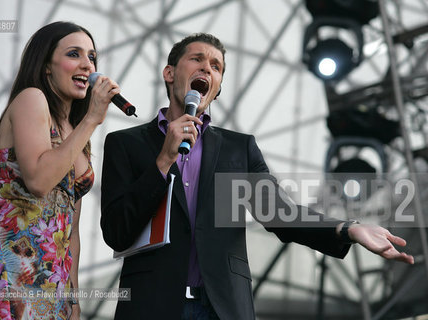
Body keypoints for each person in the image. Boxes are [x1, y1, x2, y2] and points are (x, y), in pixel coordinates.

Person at [100, 33, 414, 320]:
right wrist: (164, 160)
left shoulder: (238, 149)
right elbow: (117, 231)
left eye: (216, 66)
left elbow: (280, 214)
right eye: (196, 59)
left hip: (221, 308)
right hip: (150, 307)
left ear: (217, 88)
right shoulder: (126, 144)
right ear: (170, 73)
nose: (206, 69)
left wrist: (347, 229)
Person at [0, 21, 120, 319]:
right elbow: (39, 181)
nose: (87, 65)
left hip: (50, 274)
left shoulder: (78, 136)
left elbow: (72, 228)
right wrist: (92, 119)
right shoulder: (32, 98)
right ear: (47, 66)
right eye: (74, 54)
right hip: (4, 262)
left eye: (92, 56)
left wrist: (73, 297)